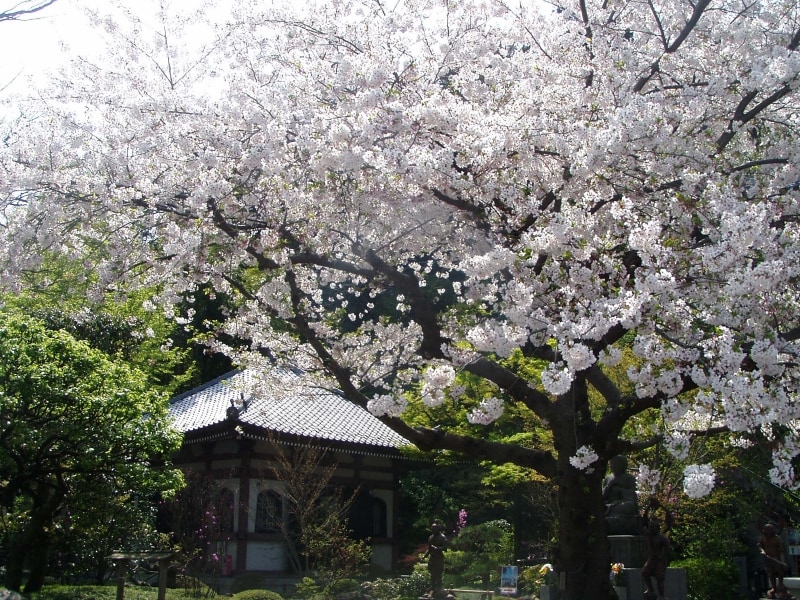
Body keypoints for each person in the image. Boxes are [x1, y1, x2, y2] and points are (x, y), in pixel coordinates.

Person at [603, 455, 640, 535]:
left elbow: (633, 495)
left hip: (622, 503)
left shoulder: (629, 478)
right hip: (609, 504)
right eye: (611, 464)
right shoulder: (608, 478)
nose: (613, 466)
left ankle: (610, 510)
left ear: (622, 465)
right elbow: (603, 496)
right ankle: (609, 510)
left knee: (630, 505)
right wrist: (608, 487)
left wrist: (620, 490)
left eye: (615, 464)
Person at [642, 517, 671, 600]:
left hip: (659, 560)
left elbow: (668, 548)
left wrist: (662, 555)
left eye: (653, 527)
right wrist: (640, 520)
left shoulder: (662, 537)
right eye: (650, 527)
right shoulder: (649, 535)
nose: (651, 529)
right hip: (651, 559)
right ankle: (650, 589)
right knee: (645, 573)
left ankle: (661, 595)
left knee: (659, 578)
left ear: (657, 528)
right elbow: (640, 529)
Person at [759, 523, 788, 598]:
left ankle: (781, 585)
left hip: (776, 558)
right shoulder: (763, 538)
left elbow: (781, 548)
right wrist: (763, 551)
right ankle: (774, 587)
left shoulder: (777, 538)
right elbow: (760, 545)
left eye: (769, 530)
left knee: (779, 571)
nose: (768, 532)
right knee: (770, 574)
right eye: (766, 530)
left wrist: (781, 558)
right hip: (768, 559)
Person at [424, 522, 448, 597]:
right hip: (432, 558)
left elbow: (445, 547)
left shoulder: (442, 537)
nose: (432, 529)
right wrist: (425, 555)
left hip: (439, 558)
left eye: (434, 528)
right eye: (432, 528)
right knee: (432, 573)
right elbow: (429, 548)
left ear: (438, 529)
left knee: (438, 574)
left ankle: (439, 588)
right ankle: (433, 587)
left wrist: (437, 548)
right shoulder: (431, 537)